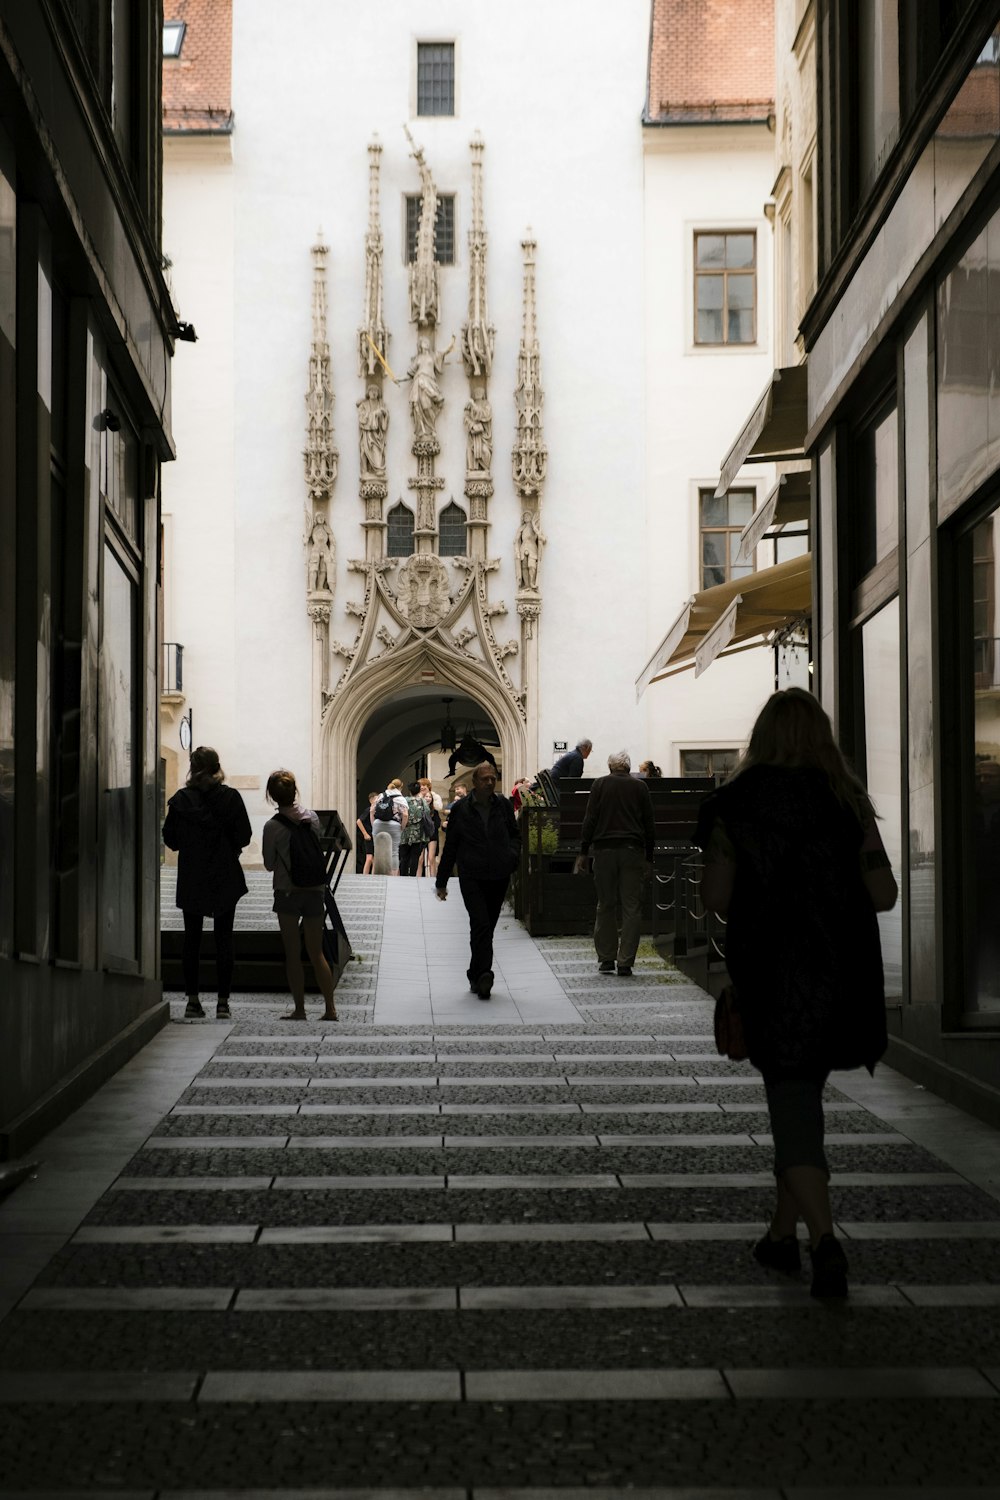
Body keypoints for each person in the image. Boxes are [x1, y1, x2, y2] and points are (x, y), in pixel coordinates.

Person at [695, 687, 898, 1299]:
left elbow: (717, 898)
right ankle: (781, 1237)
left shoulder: (735, 805)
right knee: (800, 1096)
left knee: (790, 1096)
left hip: (772, 970)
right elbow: (884, 892)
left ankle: (824, 1240)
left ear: (760, 739)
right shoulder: (848, 803)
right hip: (840, 970)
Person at [163, 746, 251, 1021]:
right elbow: (245, 835)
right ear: (217, 767)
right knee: (224, 938)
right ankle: (223, 1003)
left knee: (192, 938)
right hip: (224, 872)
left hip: (193, 874)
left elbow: (171, 840)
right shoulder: (231, 798)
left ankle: (192, 1001)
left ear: (192, 768)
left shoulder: (180, 800)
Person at [435, 761, 520, 1000]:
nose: (490, 782)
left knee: (486, 927)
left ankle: (475, 973)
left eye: (493, 778)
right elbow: (451, 846)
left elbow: (514, 834)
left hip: (498, 874)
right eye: (485, 779)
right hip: (471, 875)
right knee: (481, 923)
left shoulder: (502, 805)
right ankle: (484, 974)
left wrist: (512, 857)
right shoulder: (462, 809)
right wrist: (441, 882)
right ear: (475, 783)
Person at [262, 769, 338, 1023]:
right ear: (295, 792)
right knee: (316, 953)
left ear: (272, 796)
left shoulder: (272, 826)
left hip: (287, 891)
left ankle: (300, 1010)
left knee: (292, 953)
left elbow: (269, 864)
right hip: (314, 890)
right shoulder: (312, 818)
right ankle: (330, 1009)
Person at [573, 750, 655, 978]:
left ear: (610, 768)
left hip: (604, 851)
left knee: (605, 904)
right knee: (631, 907)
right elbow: (649, 824)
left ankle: (607, 958)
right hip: (632, 850)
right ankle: (626, 961)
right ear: (628, 769)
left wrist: (582, 852)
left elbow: (590, 819)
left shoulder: (600, 785)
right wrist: (649, 858)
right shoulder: (640, 788)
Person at [370, 777, 408, 874]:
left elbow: (372, 810)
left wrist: (374, 824)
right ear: (401, 788)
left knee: (376, 850)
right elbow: (405, 814)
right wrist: (402, 827)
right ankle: (393, 875)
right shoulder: (401, 799)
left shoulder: (381, 796)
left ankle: (375, 873)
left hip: (378, 823)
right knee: (394, 852)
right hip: (394, 825)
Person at [399, 780, 428, 876]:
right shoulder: (423, 801)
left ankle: (403, 875)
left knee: (404, 856)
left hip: (405, 832)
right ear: (419, 790)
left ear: (410, 791)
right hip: (418, 833)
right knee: (415, 856)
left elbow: (399, 814)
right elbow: (427, 813)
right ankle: (412, 876)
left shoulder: (404, 800)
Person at [419, 778, 442, 876]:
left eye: (425, 785)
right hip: (421, 835)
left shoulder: (435, 806)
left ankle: (433, 878)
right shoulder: (418, 802)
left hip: (432, 835)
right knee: (419, 859)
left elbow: (437, 823)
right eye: (421, 785)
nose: (423, 787)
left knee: (431, 858)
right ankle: (417, 877)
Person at [356, 791, 378, 875]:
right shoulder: (369, 810)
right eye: (376, 799)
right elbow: (358, 821)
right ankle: (366, 875)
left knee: (372, 858)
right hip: (369, 836)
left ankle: (371, 875)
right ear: (371, 800)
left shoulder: (376, 810)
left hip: (373, 835)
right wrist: (365, 834)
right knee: (369, 857)